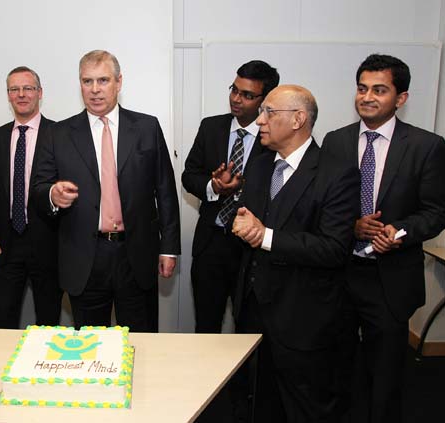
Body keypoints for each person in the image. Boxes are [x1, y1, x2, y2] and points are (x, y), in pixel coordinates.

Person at [320, 54, 445, 423]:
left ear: (401, 98)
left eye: (379, 89)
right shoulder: (335, 141)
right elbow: (323, 205)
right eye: (362, 88)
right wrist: (351, 226)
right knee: (337, 368)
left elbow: (437, 211)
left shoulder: (427, 146)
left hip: (390, 278)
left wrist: (400, 232)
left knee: (385, 376)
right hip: (340, 273)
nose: (368, 97)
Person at [231, 85, 360, 422]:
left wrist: (265, 236)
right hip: (254, 308)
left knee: (306, 406)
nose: (259, 120)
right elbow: (252, 220)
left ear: (298, 119)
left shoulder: (337, 174)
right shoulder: (259, 167)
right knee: (259, 400)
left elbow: (333, 248)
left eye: (269, 112)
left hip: (303, 316)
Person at [33, 50, 180, 332]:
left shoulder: (147, 127)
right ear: (80, 85)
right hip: (84, 258)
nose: (95, 90)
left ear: (119, 82)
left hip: (135, 254)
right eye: (87, 81)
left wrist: (169, 248)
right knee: (90, 349)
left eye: (103, 80)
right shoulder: (59, 133)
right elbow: (38, 188)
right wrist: (52, 194)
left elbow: (165, 190)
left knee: (141, 342)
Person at [182, 60, 279, 334]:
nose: (236, 99)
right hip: (210, 245)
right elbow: (189, 175)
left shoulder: (273, 138)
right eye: (234, 90)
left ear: (264, 100)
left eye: (247, 95)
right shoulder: (211, 127)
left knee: (248, 331)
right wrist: (214, 187)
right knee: (206, 327)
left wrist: (242, 187)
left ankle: (243, 380)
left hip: (251, 250)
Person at [0, 66, 62, 329]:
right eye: (14, 89)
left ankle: (45, 370)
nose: (21, 94)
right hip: (6, 244)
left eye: (28, 88)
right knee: (3, 316)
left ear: (40, 93)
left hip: (49, 244)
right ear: (8, 95)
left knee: (48, 319)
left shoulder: (61, 134)